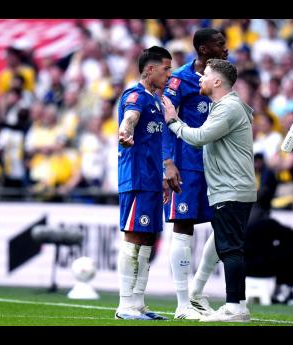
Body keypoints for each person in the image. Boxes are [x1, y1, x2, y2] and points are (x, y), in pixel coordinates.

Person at [163, 59, 257, 322]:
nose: (200, 79)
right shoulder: (227, 106)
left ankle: (235, 307)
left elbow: (199, 137)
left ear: (217, 81)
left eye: (204, 75)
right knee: (229, 246)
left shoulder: (227, 108)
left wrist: (173, 121)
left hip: (231, 188)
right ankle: (233, 303)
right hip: (233, 187)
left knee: (230, 250)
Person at [162, 28, 229, 320]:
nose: (226, 48)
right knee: (183, 226)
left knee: (224, 225)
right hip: (187, 164)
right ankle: (182, 303)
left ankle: (197, 291)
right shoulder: (180, 79)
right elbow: (166, 119)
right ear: (203, 49)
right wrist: (168, 162)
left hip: (219, 165)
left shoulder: (225, 76)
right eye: (220, 44)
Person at [116, 46, 173, 320]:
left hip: (152, 179)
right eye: (165, 68)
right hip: (136, 177)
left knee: (147, 241)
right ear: (150, 69)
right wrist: (125, 131)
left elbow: (156, 143)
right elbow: (130, 117)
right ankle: (124, 305)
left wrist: (163, 175)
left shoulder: (157, 101)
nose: (169, 74)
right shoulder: (136, 95)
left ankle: (138, 304)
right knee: (134, 238)